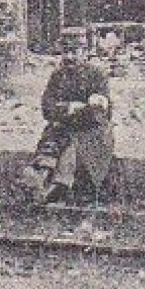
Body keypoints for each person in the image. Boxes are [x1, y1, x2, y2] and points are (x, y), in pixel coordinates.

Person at [23, 49, 115, 205]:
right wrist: (70, 108)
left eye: (75, 52)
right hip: (64, 128)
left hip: (92, 131)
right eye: (66, 52)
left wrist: (85, 108)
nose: (70, 57)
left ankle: (57, 186)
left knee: (73, 147)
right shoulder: (57, 76)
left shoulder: (97, 75)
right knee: (53, 141)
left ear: (86, 51)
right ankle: (41, 175)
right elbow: (47, 108)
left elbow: (102, 112)